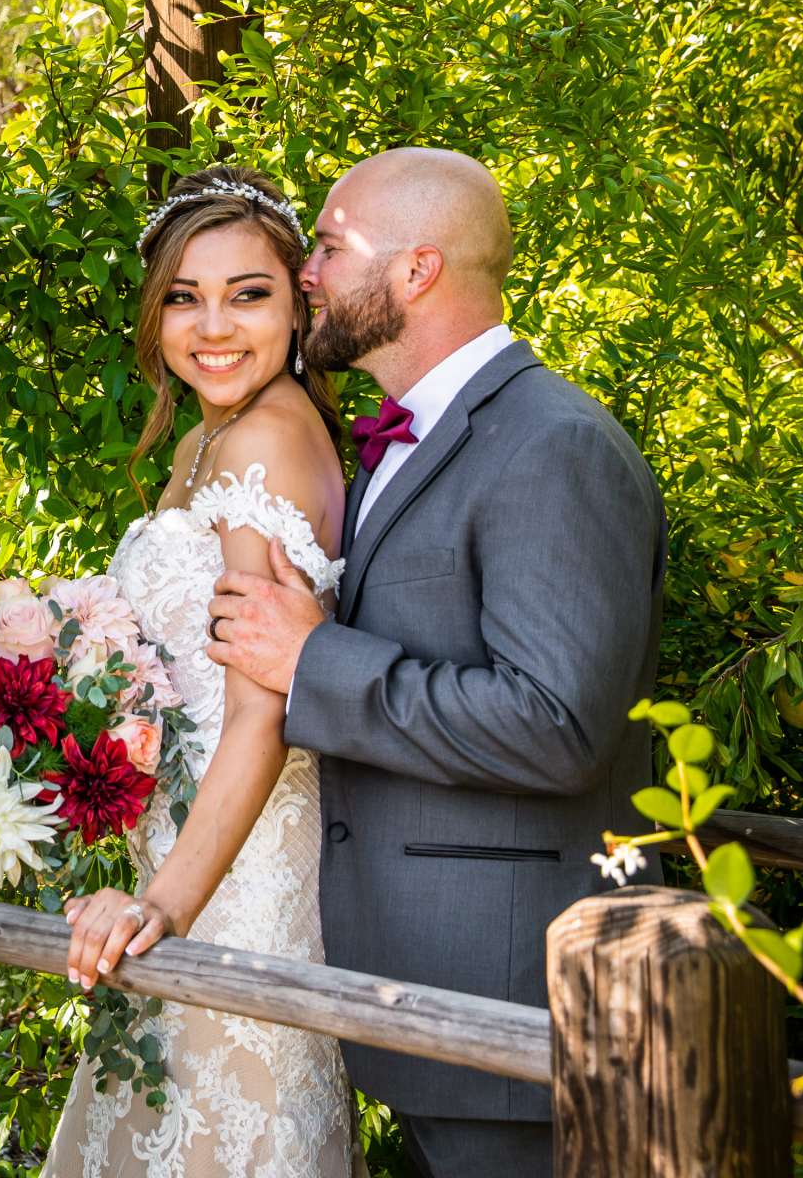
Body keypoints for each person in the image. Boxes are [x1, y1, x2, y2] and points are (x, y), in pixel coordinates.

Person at [204, 147, 667, 1178]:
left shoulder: (552, 446)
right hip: (419, 995)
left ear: (416, 271)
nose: (307, 271)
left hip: (515, 1003)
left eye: (327, 245)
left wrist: (317, 658)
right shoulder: (407, 439)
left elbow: (558, 725)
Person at [44, 163, 356, 1177]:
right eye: (185, 296)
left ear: (299, 308)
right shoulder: (204, 438)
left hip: (239, 884)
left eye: (247, 294)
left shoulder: (264, 439)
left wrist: (163, 905)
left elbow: (261, 715)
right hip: (182, 850)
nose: (211, 325)